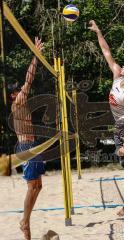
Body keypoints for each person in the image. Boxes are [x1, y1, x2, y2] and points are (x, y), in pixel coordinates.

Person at [89, 20, 124, 216]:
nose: (123, 65)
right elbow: (107, 53)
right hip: (119, 126)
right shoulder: (117, 76)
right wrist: (98, 32)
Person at [11, 37, 44, 240]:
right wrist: (36, 55)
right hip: (26, 146)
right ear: (12, 96)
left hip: (32, 144)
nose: (21, 91)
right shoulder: (17, 104)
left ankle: (25, 221)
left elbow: (27, 83)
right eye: (17, 90)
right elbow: (29, 79)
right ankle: (25, 221)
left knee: (38, 186)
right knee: (32, 186)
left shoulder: (21, 103)